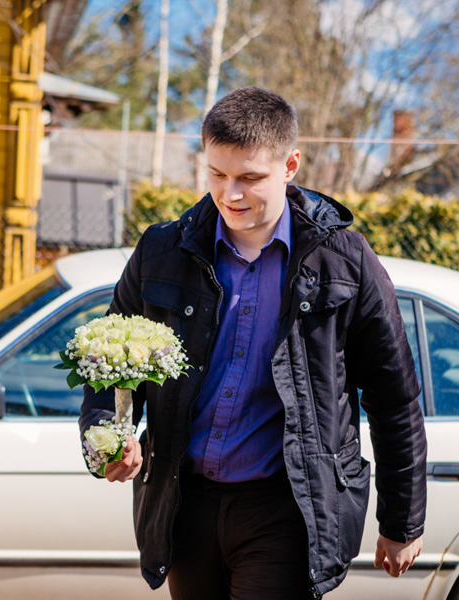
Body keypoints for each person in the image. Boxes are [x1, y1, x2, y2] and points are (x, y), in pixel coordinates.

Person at [80, 86, 427, 599]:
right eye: (217, 174)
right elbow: (104, 363)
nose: (230, 195)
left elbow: (393, 397)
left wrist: (402, 521)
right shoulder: (161, 251)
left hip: (288, 510)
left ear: (290, 165)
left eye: (249, 178)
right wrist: (107, 439)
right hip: (182, 504)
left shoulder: (344, 261)